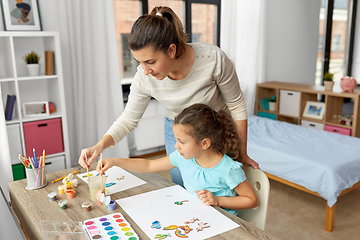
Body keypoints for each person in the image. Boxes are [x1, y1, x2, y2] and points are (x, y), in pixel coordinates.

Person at [78, 6, 259, 186]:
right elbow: (128, 120)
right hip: (179, 129)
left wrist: (242, 153)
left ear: (171, 51)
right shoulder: (143, 78)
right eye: (139, 62)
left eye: (150, 62)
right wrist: (99, 146)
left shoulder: (213, 59)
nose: (145, 71)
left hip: (216, 129)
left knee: (224, 185)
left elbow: (236, 105)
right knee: (183, 185)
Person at [96, 104, 258, 215]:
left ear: (205, 143)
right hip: (194, 217)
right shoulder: (183, 158)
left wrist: (217, 200)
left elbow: (251, 200)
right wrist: (115, 161)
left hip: (222, 223)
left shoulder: (229, 169)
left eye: (181, 141)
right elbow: (149, 164)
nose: (176, 146)